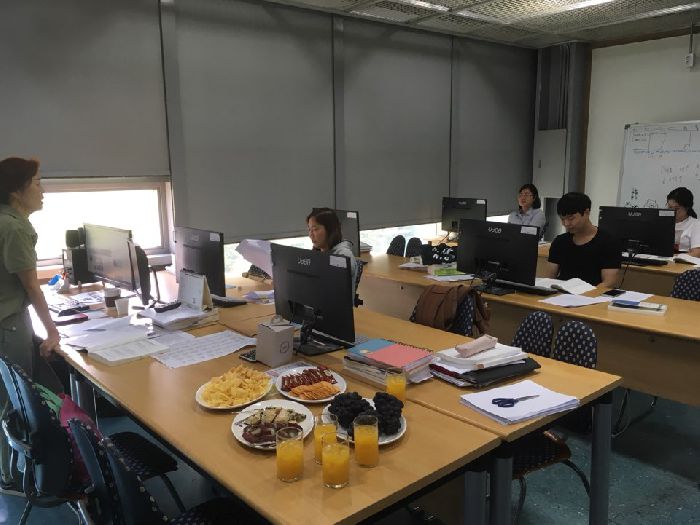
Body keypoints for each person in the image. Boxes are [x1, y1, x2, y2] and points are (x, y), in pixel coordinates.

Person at [0, 157, 63, 490]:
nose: (43, 190)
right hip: (8, 324)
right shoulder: (14, 227)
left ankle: (9, 472)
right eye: (37, 183)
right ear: (16, 191)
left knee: (9, 397)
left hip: (8, 319)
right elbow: (31, 286)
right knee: (15, 402)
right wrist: (52, 331)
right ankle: (15, 477)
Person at [545, 192, 621, 287]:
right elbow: (549, 278)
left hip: (593, 293)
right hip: (561, 293)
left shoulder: (608, 242)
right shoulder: (560, 241)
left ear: (586, 213)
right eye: (562, 219)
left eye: (571, 218)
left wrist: (587, 294)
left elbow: (609, 282)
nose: (566, 224)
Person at [307, 208, 358, 296]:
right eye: (309, 229)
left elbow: (333, 290)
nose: (310, 234)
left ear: (330, 230)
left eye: (315, 229)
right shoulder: (319, 252)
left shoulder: (344, 255)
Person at [666, 187, 700, 257]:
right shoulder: (662, 222)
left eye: (676, 208)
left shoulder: (695, 224)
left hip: (682, 262)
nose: (672, 211)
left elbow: (697, 253)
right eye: (669, 207)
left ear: (687, 208)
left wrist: (673, 257)